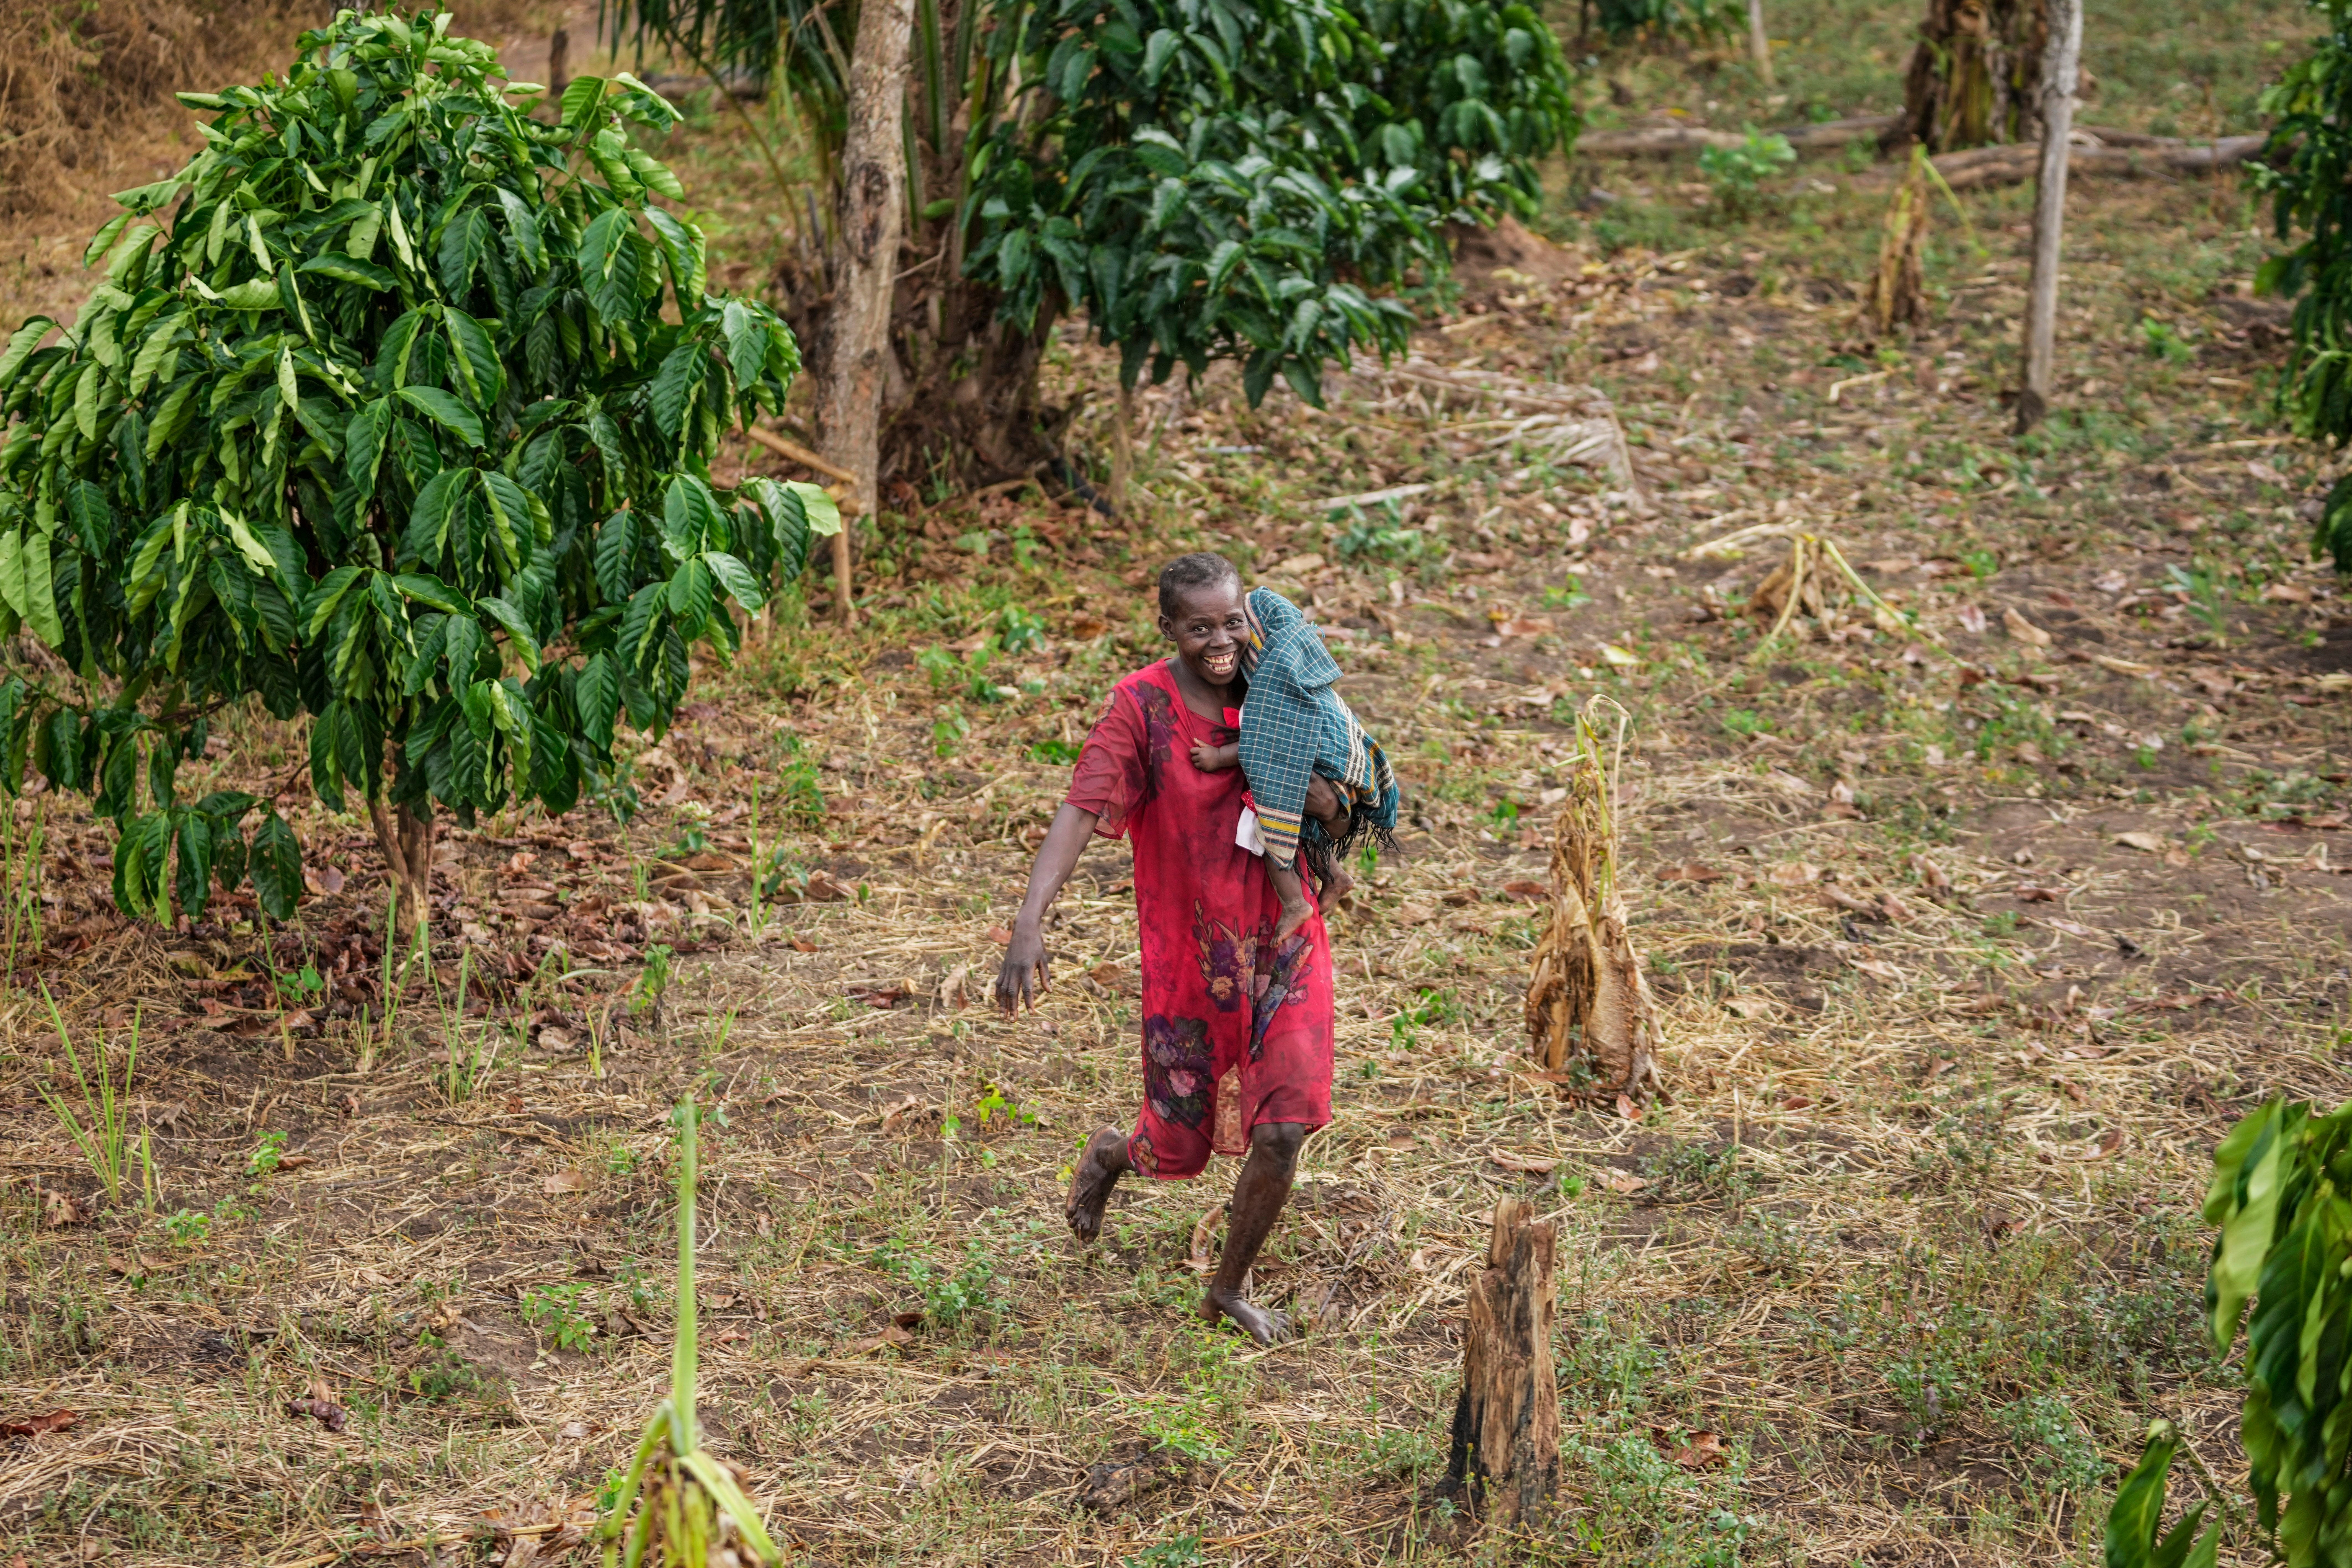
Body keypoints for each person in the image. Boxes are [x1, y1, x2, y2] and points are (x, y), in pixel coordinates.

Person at [995, 552, 1352, 1345]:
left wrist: (1329, 800)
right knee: (1177, 1131)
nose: (1220, 642)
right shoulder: (1143, 708)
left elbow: (1345, 800)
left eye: (1233, 623)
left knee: (1284, 1125)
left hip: (1288, 935)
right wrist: (1029, 921)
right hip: (1193, 955)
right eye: (1200, 628)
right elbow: (1085, 806)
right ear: (1169, 630)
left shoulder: (1282, 685)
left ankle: (1227, 1290)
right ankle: (1113, 1156)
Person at [1187, 585, 1398, 940]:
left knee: (1272, 823)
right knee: (1297, 824)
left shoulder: (1281, 685)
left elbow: (1269, 744)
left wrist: (1218, 757)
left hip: (1321, 768)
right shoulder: (1307, 671)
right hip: (1332, 770)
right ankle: (1334, 876)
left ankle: (1295, 903)